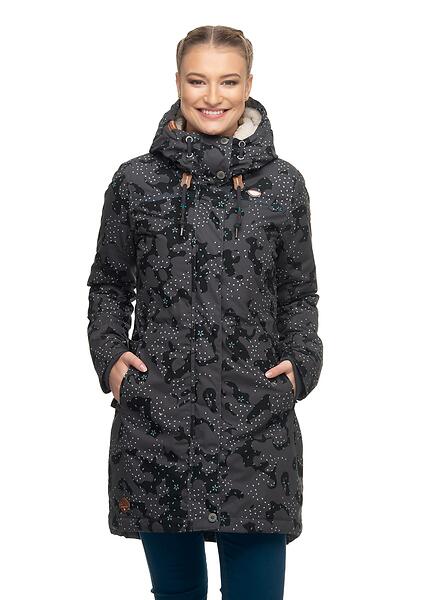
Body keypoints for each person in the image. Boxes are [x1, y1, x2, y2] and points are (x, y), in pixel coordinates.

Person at [86, 24, 323, 600]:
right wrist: (111, 357)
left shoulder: (283, 185)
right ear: (177, 83)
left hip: (256, 425)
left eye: (228, 81)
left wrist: (300, 366)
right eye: (198, 81)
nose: (212, 96)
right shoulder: (136, 182)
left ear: (249, 85)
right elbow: (109, 284)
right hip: (158, 421)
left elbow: (298, 294)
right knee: (177, 594)